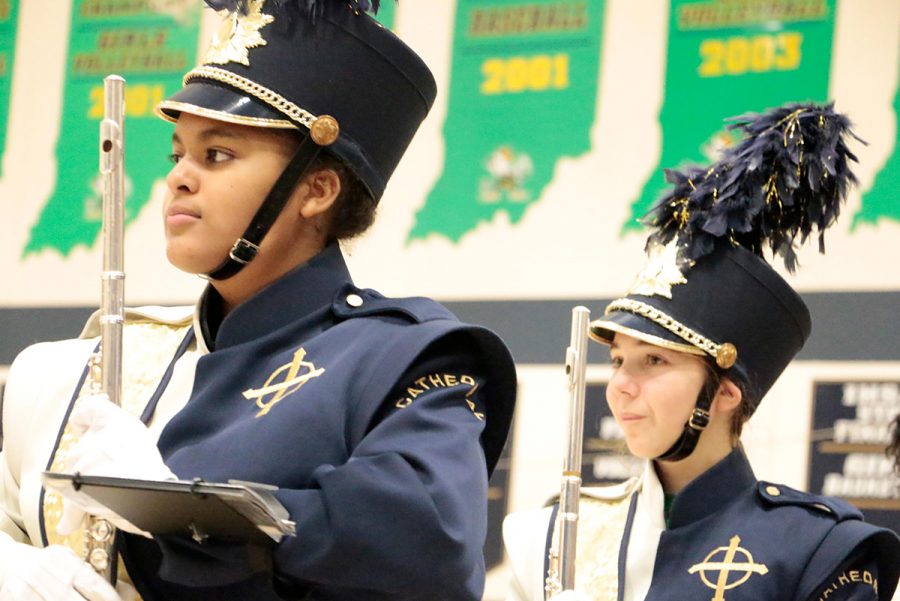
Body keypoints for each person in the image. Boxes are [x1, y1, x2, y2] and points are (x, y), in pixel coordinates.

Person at [0, 1, 517, 599]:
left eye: (216, 155)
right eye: (178, 154)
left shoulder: (403, 355)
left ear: (317, 190)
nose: (179, 178)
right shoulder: (67, 368)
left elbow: (428, 543)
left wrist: (174, 501)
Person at [503, 103, 900, 601]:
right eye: (619, 359)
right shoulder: (551, 536)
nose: (621, 385)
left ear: (727, 392)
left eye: (655, 361)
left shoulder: (821, 549)